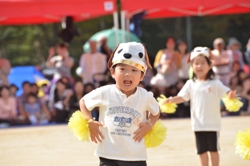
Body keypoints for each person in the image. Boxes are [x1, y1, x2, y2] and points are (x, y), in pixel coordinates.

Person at [79, 42, 160, 166]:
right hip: (108, 155)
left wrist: (150, 124)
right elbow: (84, 101)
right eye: (122, 69)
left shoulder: (145, 96)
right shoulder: (105, 92)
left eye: (134, 70)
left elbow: (156, 111)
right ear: (112, 72)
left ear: (142, 75)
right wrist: (89, 121)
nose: (128, 74)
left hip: (136, 156)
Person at [162, 47, 237, 166]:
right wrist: (171, 100)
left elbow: (226, 92)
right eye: (196, 63)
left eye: (203, 63)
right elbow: (182, 97)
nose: (199, 66)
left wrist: (230, 95)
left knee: (213, 150)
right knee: (201, 151)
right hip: (198, 125)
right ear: (192, 66)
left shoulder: (215, 83)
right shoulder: (190, 84)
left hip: (212, 124)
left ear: (210, 65)